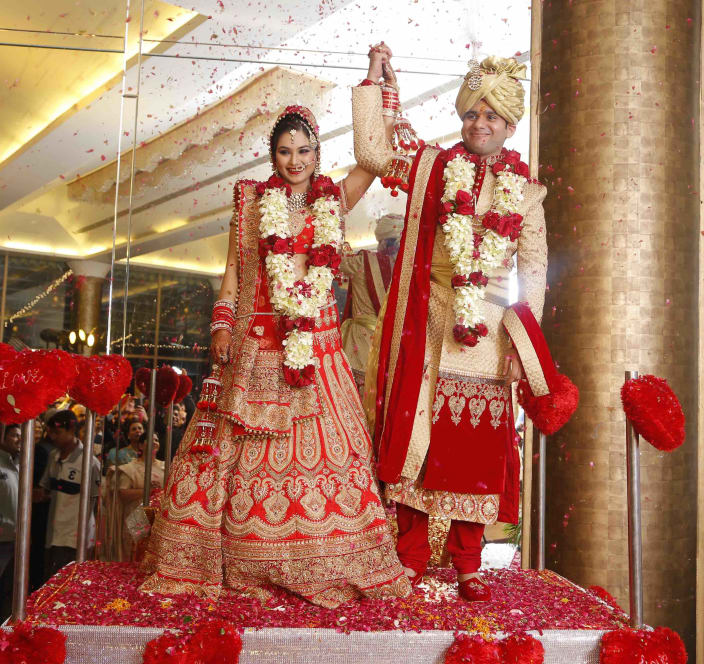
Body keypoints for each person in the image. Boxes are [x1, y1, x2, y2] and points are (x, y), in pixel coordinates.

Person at [141, 97, 411, 607]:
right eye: (286, 151)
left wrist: (375, 87)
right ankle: (242, 560)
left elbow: (374, 161)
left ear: (316, 151)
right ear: (273, 155)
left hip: (320, 346)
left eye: (305, 150)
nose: (296, 161)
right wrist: (221, 326)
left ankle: (330, 557)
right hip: (256, 347)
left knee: (339, 457)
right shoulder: (249, 203)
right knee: (234, 462)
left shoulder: (332, 200)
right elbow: (233, 275)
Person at [354, 48, 548, 601]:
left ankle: (468, 565)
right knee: (420, 441)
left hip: (489, 330)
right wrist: (374, 85)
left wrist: (522, 345)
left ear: (509, 126)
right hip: (432, 317)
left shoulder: (526, 193)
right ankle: (410, 559)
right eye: (471, 114)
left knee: (475, 453)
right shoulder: (434, 168)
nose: (479, 124)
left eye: (491, 116)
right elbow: (371, 149)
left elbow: (533, 272)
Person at [340, 213, 403, 394]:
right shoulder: (408, 270)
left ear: (381, 240)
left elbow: (332, 262)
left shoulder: (362, 261)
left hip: (360, 340)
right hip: (393, 341)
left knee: (355, 394)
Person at [36, 410, 101, 578]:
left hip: (75, 536)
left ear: (71, 431)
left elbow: (96, 501)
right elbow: (46, 488)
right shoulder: (53, 456)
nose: (52, 437)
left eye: (57, 433)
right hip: (53, 532)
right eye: (50, 433)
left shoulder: (89, 462)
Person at [104, 432, 164, 562]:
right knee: (134, 557)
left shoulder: (166, 468)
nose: (154, 442)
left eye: (157, 440)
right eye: (150, 439)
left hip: (159, 522)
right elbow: (122, 494)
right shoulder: (129, 469)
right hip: (135, 519)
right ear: (141, 446)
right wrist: (149, 491)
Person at [0, 424, 21, 618]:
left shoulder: (18, 463)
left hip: (15, 536)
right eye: (14, 435)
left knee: (9, 590)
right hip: (2, 537)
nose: (19, 439)